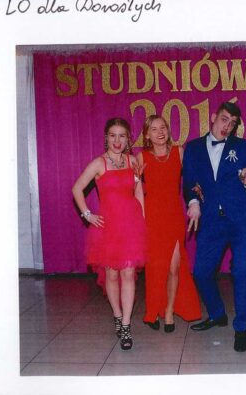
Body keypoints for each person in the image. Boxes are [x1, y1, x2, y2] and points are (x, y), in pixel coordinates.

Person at [182, 101, 246, 352]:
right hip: (210, 220)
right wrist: (193, 202)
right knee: (201, 273)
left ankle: (241, 327)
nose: (227, 126)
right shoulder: (193, 148)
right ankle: (217, 314)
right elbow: (189, 182)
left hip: (241, 220)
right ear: (213, 117)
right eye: (224, 119)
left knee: (242, 271)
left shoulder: (241, 145)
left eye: (232, 123)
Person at [71, 118, 146, 350]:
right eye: (113, 135)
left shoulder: (133, 161)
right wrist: (87, 215)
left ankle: (126, 325)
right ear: (106, 137)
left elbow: (139, 192)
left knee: (129, 274)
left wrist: (142, 222)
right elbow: (77, 188)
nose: (117, 140)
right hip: (108, 228)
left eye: (122, 135)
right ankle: (117, 314)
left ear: (128, 138)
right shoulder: (99, 163)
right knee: (112, 276)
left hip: (131, 226)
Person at [139, 115, 202, 331]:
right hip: (152, 218)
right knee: (156, 268)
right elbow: (133, 189)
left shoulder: (178, 152)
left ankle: (168, 311)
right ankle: (153, 310)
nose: (160, 132)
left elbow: (192, 179)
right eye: (154, 129)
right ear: (147, 135)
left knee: (174, 266)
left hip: (174, 216)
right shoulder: (141, 157)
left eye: (163, 127)